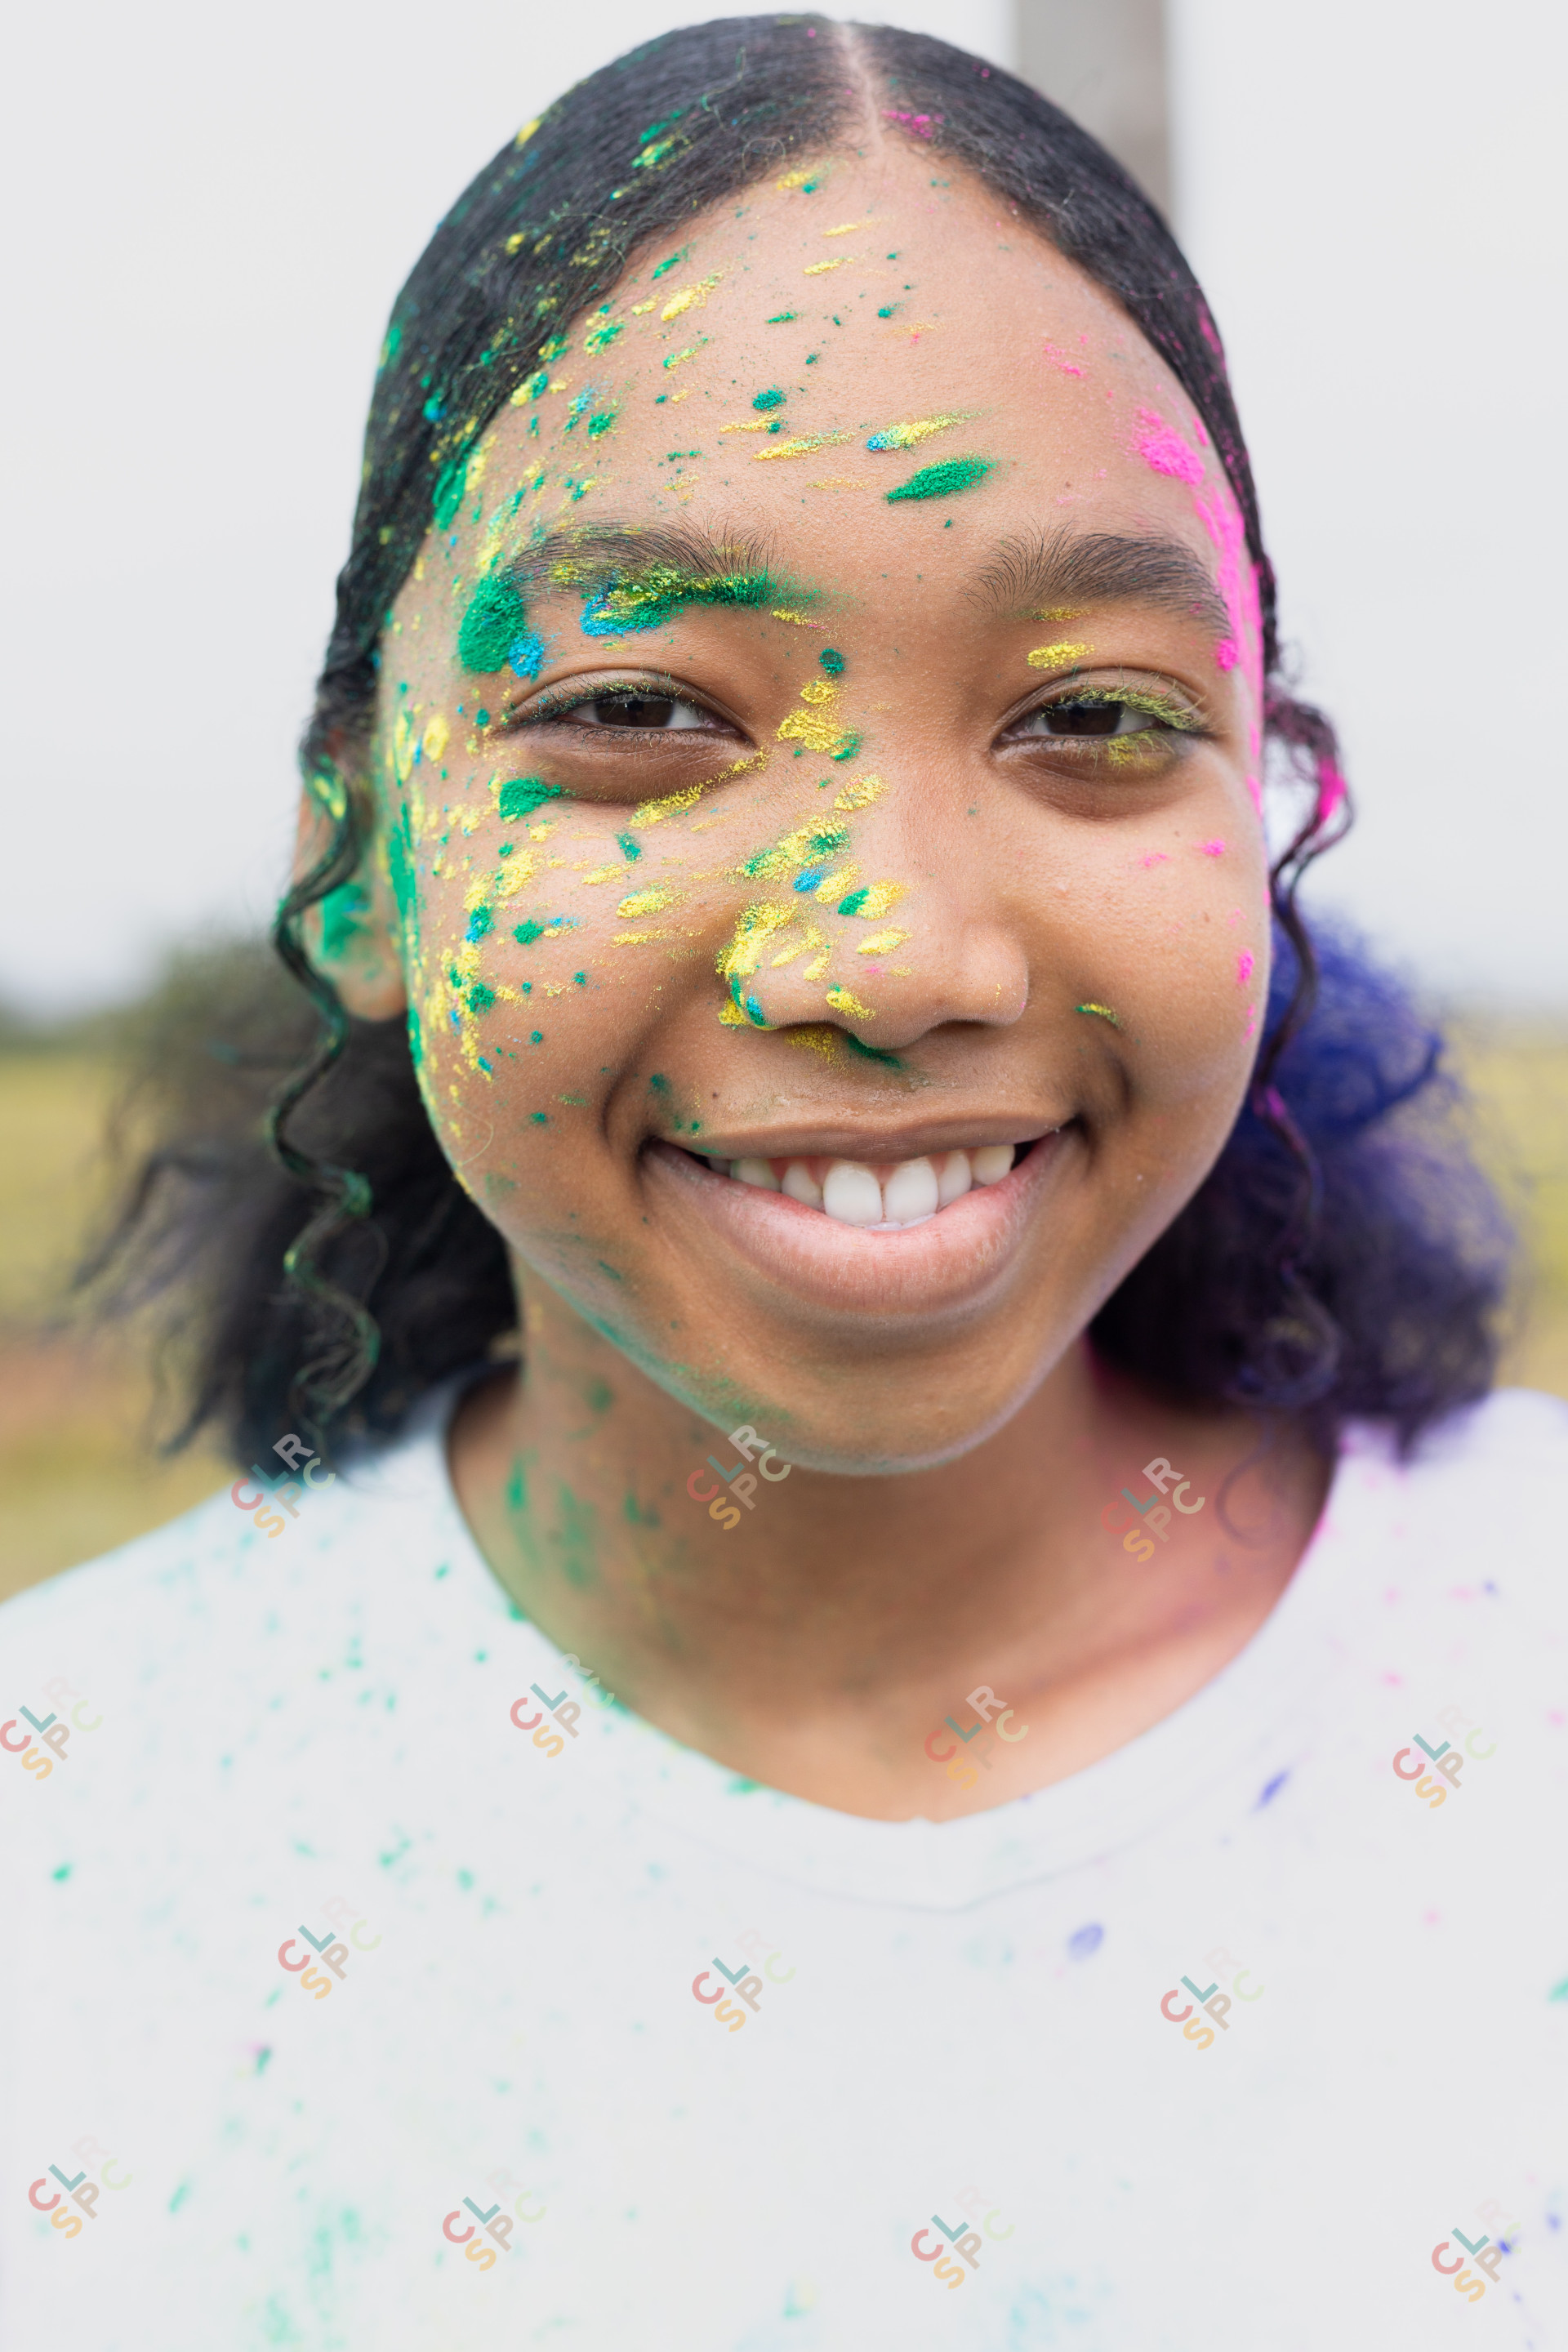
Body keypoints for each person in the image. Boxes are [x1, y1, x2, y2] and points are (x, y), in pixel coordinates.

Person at [3, 18, 1561, 2346]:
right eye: (643, 714)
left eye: (1094, 718)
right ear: (362, 861)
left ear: (1268, 801)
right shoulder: (71, 1852)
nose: (893, 953)